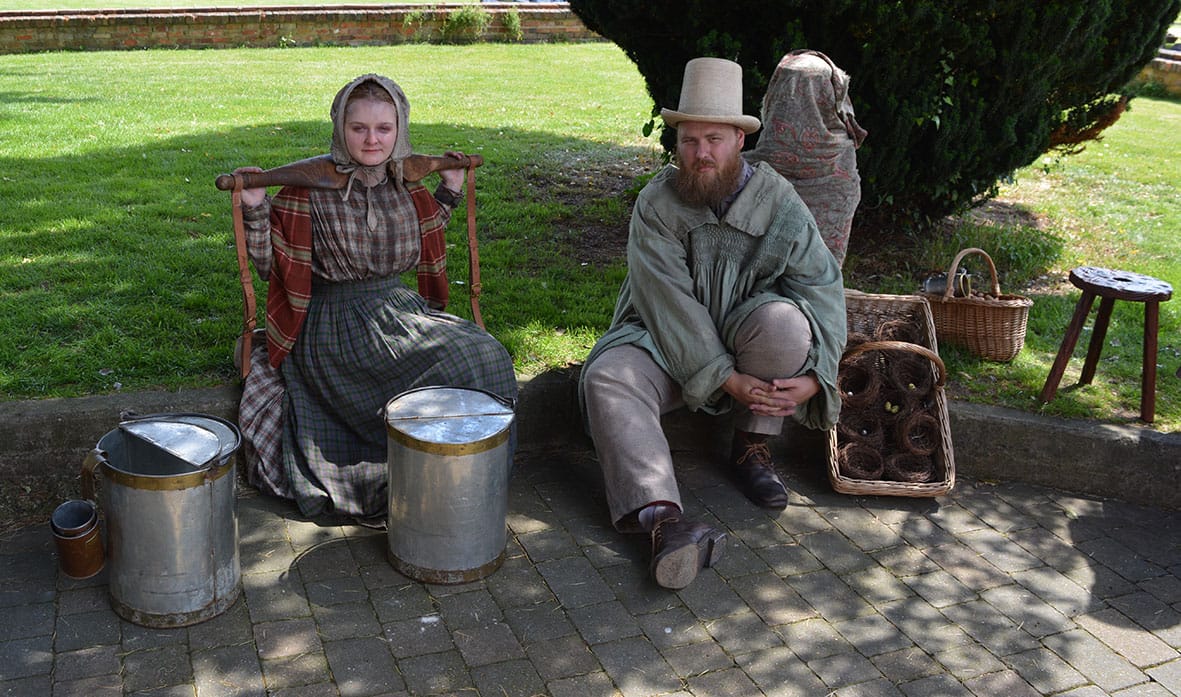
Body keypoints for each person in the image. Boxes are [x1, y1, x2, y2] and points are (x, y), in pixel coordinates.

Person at [579, 57, 846, 590]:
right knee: (606, 375)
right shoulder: (657, 204)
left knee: (788, 325)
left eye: (715, 139)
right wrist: (726, 378)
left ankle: (751, 447)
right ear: (676, 144)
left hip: (748, 339)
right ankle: (665, 523)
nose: (701, 153)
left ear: (739, 141)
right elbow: (669, 305)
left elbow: (823, 289)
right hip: (660, 341)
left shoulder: (780, 205)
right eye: (689, 140)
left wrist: (818, 375)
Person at [234, 74, 518, 523]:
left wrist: (450, 188)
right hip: (332, 326)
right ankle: (410, 480)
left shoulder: (404, 185)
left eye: (384, 128)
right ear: (339, 128)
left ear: (400, 128)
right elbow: (273, 268)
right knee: (466, 361)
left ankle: (460, 481)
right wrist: (254, 206)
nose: (371, 139)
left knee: (487, 358)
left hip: (396, 312)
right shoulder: (307, 190)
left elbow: (420, 232)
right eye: (358, 128)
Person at [745, 49, 867, 267]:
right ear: (830, 96)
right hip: (818, 293)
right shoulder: (844, 169)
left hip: (748, 292)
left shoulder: (742, 170)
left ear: (777, 94)